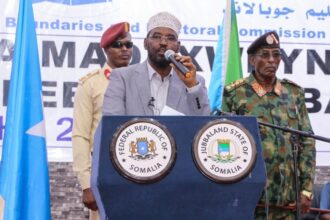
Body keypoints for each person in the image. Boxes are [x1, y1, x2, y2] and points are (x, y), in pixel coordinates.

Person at [221, 31, 316, 219]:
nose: (272, 60)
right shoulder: (235, 94)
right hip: (251, 199)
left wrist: (306, 190)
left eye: (276, 54)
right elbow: (225, 142)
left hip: (288, 199)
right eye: (265, 55)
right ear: (251, 60)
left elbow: (307, 142)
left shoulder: (293, 93)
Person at [72, 22, 133, 220]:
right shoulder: (90, 84)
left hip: (139, 166)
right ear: (106, 49)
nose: (125, 49)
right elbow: (80, 135)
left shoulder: (141, 81)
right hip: (104, 172)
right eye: (118, 45)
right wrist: (86, 184)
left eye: (128, 45)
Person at [102, 11, 210, 116]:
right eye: (157, 36)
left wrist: (192, 86)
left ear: (178, 46)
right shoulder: (123, 78)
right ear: (145, 43)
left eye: (170, 38)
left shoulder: (194, 82)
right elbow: (112, 123)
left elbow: (204, 122)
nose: (163, 43)